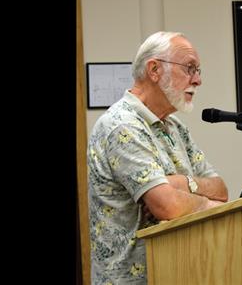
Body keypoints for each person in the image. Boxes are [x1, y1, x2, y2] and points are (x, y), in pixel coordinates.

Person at [87, 31, 229, 284]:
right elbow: (168, 206)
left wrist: (182, 183)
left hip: (177, 271)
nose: (198, 80)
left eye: (198, 70)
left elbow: (220, 189)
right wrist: (206, 204)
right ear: (154, 70)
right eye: (189, 68)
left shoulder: (173, 125)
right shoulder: (122, 126)